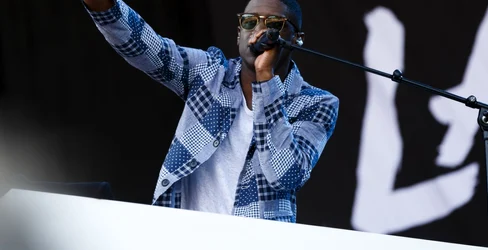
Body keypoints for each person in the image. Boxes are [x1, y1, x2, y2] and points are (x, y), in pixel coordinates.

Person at [82, 0, 339, 223]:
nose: (259, 30)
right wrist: (102, 5)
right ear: (239, 32)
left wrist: (265, 78)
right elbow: (147, 47)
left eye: (273, 23)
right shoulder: (210, 73)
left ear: (296, 38)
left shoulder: (316, 104)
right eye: (250, 21)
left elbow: (285, 174)